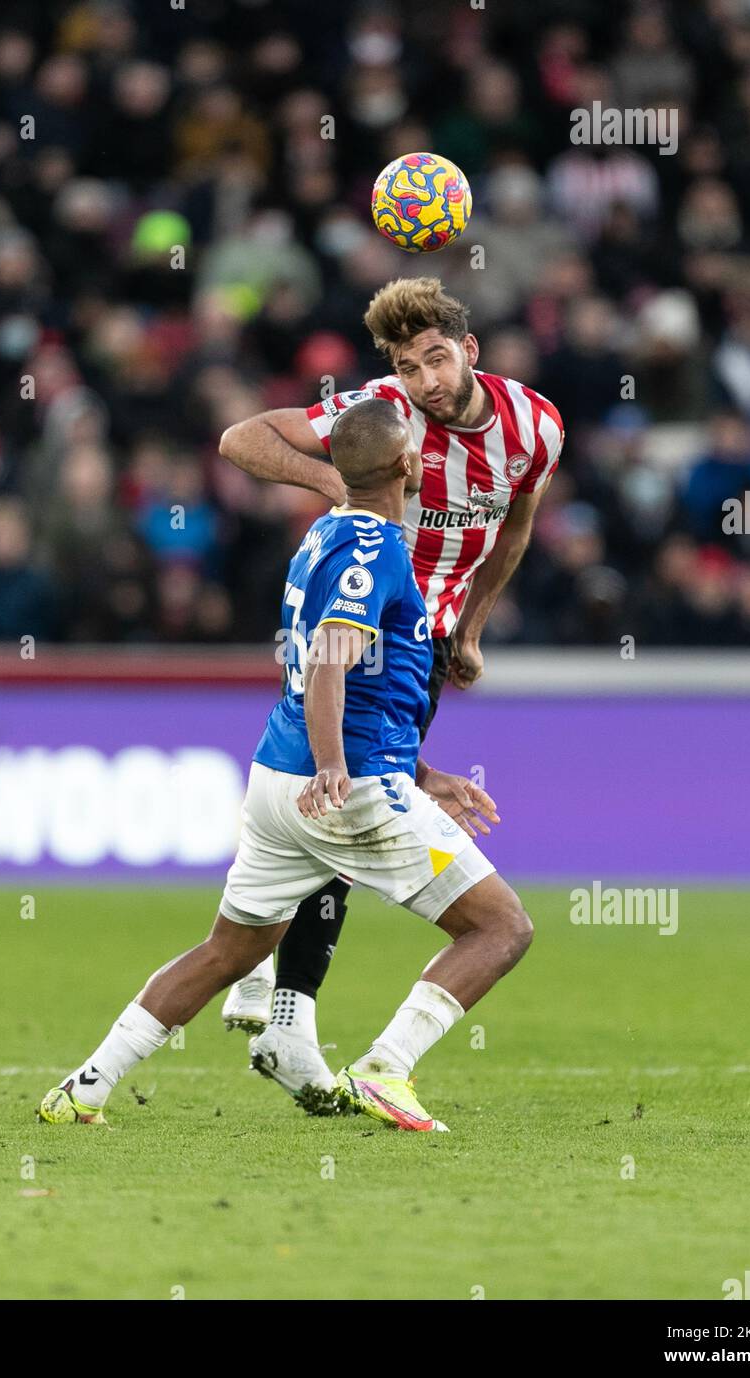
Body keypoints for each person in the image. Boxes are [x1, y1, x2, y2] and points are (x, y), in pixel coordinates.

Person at [37, 397, 533, 1132]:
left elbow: (353, 679)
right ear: (405, 465)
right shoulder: (378, 551)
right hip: (346, 784)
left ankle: (85, 1085)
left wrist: (423, 772)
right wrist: (338, 765)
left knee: (228, 952)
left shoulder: (322, 535)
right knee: (501, 929)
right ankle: (386, 1068)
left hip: (278, 775)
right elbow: (334, 656)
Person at [217, 276, 562, 1101]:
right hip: (362, 626)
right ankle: (274, 1000)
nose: (425, 383)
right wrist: (337, 482)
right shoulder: (381, 410)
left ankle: (274, 1002)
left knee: (343, 807)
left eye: (436, 360)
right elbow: (240, 438)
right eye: (409, 367)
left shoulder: (535, 426)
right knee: (342, 798)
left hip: (428, 644)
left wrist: (473, 627)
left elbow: (514, 525)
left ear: (469, 351)